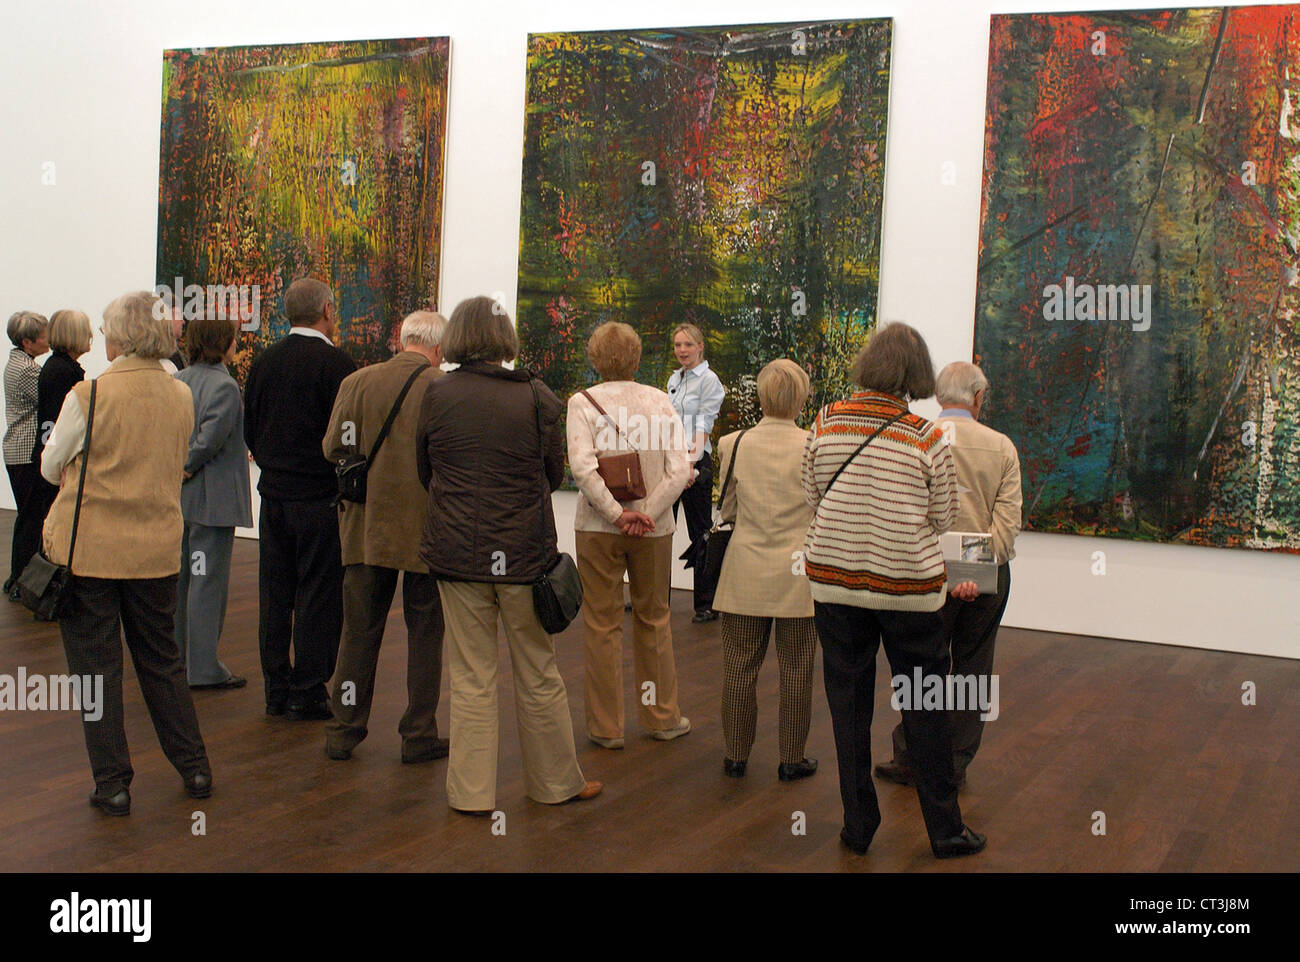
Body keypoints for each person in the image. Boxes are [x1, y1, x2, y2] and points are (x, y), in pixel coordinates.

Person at [801, 322, 985, 859]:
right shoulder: (926, 437)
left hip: (835, 586)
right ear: (916, 374)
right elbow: (943, 514)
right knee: (926, 709)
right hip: (908, 591)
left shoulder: (827, 420)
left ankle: (858, 826)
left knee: (848, 708)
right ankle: (946, 830)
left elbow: (810, 490)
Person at [416, 295, 600, 813]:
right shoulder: (538, 397)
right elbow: (551, 476)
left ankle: (471, 795)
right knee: (539, 673)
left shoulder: (437, 394)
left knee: (471, 676)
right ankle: (556, 784)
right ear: (504, 338)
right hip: (523, 555)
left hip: (455, 555)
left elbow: (424, 469)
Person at [41, 290, 211, 816]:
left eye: (109, 330)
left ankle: (113, 782)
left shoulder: (87, 395)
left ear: (123, 336)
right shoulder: (181, 394)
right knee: (162, 662)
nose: (104, 338)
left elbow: (50, 468)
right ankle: (195, 766)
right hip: (156, 550)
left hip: (90, 551)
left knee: (97, 670)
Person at [876, 361, 1022, 788]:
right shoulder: (1000, 446)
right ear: (977, 397)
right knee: (973, 667)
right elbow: (1007, 522)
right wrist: (972, 567)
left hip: (923, 574)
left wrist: (945, 567)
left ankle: (911, 756)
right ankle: (953, 763)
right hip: (987, 576)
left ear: (939, 397)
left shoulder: (914, 439)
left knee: (919, 666)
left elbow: (902, 516)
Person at [322, 311, 447, 763]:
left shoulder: (358, 381)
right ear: (440, 347)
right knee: (426, 634)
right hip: (427, 530)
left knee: (358, 633)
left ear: (402, 338)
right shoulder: (441, 388)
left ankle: (343, 729)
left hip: (366, 527)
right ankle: (418, 733)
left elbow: (332, 447)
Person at [567, 322, 692, 750]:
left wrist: (618, 515)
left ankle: (606, 729)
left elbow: (582, 469)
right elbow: (682, 471)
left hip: (597, 529)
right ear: (636, 358)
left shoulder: (581, 403)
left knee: (601, 624)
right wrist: (647, 514)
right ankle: (661, 717)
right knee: (654, 618)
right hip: (654, 531)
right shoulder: (660, 401)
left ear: (595, 358)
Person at [244, 278, 356, 720]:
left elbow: (249, 426)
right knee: (318, 592)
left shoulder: (264, 362)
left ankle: (275, 686)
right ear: (328, 310)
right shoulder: (338, 366)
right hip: (319, 498)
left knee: (275, 593)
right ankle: (308, 688)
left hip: (273, 495)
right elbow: (348, 436)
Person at [714, 359, 818, 781]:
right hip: (798, 572)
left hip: (746, 566)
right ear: (801, 397)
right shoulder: (815, 445)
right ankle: (791, 759)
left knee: (739, 665)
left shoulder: (732, 443)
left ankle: (736, 755)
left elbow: (727, 507)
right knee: (797, 669)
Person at [175, 315, 252, 690]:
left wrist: (177, 467)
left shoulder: (180, 379)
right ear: (222, 342)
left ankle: (180, 660)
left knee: (184, 581)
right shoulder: (224, 386)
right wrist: (186, 465)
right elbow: (209, 439)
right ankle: (203, 667)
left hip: (184, 500)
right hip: (210, 500)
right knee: (207, 583)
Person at [28, 311, 91, 592]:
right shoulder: (63, 372)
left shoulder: (60, 368)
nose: (91, 336)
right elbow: (57, 425)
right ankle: (48, 592)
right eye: (86, 330)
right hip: (56, 462)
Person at [666, 322, 725, 622]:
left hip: (696, 463)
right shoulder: (673, 380)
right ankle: (655, 598)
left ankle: (705, 603)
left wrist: (690, 464)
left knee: (699, 533)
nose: (682, 350)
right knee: (662, 528)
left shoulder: (710, 381)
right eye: (678, 345)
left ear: (700, 347)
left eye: (688, 345)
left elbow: (704, 425)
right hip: (672, 462)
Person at [4, 310, 49, 600]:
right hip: (25, 451)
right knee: (32, 521)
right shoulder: (28, 371)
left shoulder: (17, 363)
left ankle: (17, 578)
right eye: (44, 336)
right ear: (28, 342)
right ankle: (24, 581)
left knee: (27, 519)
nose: (49, 339)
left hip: (16, 450)